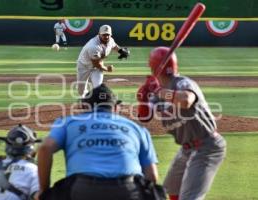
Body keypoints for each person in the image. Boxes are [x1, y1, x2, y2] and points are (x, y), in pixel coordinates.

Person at [37, 84, 162, 200]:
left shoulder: (68, 122)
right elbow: (152, 176)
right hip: (127, 190)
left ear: (86, 107)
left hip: (82, 190)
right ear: (115, 107)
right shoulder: (136, 128)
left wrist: (44, 190)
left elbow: (45, 148)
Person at [136, 47, 227, 200]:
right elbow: (144, 117)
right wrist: (143, 99)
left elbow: (186, 100)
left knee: (189, 197)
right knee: (171, 189)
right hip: (186, 149)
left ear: (152, 67)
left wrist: (157, 91)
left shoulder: (182, 83)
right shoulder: (158, 89)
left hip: (207, 146)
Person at [76, 24, 130, 97]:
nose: (106, 37)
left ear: (111, 35)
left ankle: (99, 103)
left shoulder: (110, 40)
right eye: (104, 35)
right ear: (99, 34)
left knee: (98, 88)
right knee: (81, 91)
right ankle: (85, 99)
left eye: (108, 34)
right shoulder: (93, 46)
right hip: (84, 66)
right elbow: (96, 64)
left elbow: (114, 46)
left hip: (96, 68)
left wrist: (120, 51)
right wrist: (107, 69)